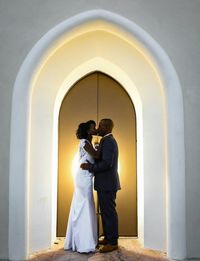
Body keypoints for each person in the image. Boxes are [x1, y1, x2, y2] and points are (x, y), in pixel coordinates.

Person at [81, 119, 121, 253]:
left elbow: (107, 164)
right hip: (105, 183)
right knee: (105, 212)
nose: (98, 128)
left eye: (100, 126)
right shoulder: (105, 140)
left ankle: (113, 242)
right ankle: (108, 238)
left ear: (107, 127)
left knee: (109, 212)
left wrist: (90, 167)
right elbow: (102, 158)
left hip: (107, 183)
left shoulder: (109, 141)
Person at [64, 121, 98, 253]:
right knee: (84, 205)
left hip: (86, 176)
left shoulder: (88, 142)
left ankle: (84, 239)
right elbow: (96, 155)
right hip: (83, 177)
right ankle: (83, 242)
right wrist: (99, 143)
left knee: (86, 204)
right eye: (93, 128)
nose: (95, 129)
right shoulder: (84, 142)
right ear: (88, 131)